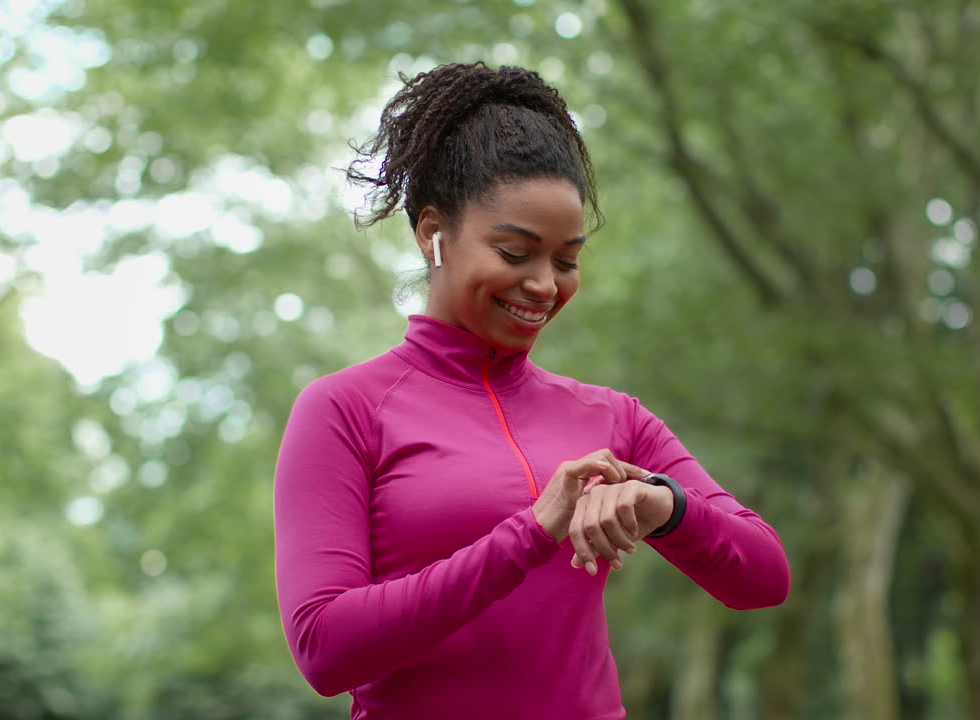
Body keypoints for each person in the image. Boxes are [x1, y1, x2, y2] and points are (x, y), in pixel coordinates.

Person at [274, 61, 790, 719]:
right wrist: (527, 535)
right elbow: (324, 648)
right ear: (434, 236)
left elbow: (764, 576)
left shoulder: (613, 419)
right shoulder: (345, 410)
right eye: (516, 254)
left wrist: (665, 504)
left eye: (567, 260)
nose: (546, 285)